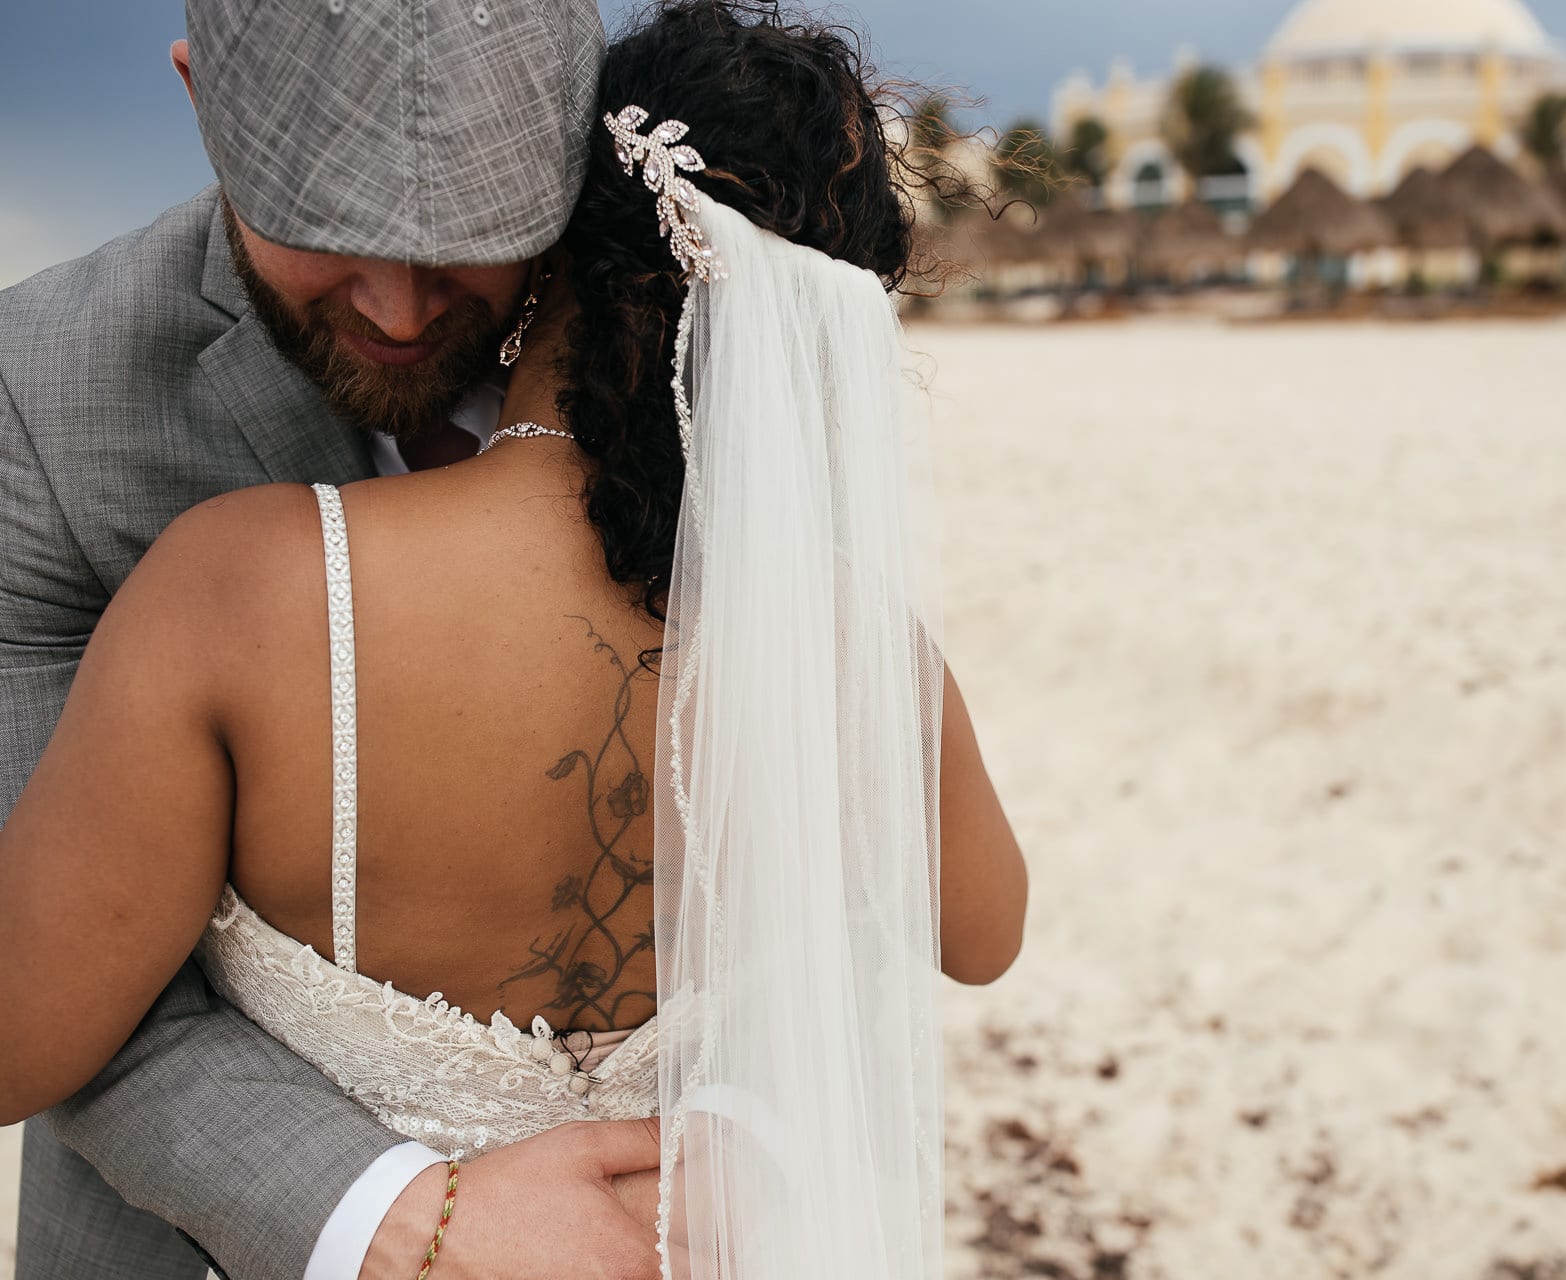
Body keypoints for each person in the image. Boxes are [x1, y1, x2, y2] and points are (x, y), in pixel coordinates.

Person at [0, 1, 1027, 1277]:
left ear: (571, 184)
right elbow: (981, 931)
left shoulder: (226, 585)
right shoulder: (828, 622)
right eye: (325, 232)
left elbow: (19, 1024)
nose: (397, 300)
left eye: (469, 238)